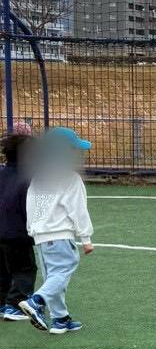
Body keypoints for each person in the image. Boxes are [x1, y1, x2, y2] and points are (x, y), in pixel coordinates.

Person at [20, 127, 95, 335]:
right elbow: (78, 209)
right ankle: (36, 302)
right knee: (62, 272)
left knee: (53, 277)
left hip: (41, 238)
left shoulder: (39, 177)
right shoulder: (71, 178)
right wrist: (86, 238)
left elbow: (31, 205)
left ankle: (60, 318)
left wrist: (33, 230)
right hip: (60, 235)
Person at [1, 130, 36, 321]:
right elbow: (28, 207)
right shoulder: (29, 178)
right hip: (18, 233)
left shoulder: (2, 173)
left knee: (3, 269)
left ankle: (2, 302)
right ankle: (16, 304)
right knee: (25, 268)